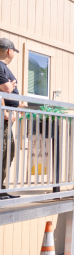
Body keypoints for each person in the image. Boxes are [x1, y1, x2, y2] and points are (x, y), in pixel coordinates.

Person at [0, 39, 20, 195]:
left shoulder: (3, 67)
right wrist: (5, 112)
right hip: (3, 119)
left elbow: (8, 91)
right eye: (14, 51)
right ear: (9, 50)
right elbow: (5, 89)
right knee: (4, 152)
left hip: (6, 119)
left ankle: (1, 189)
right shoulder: (0, 66)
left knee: (8, 152)